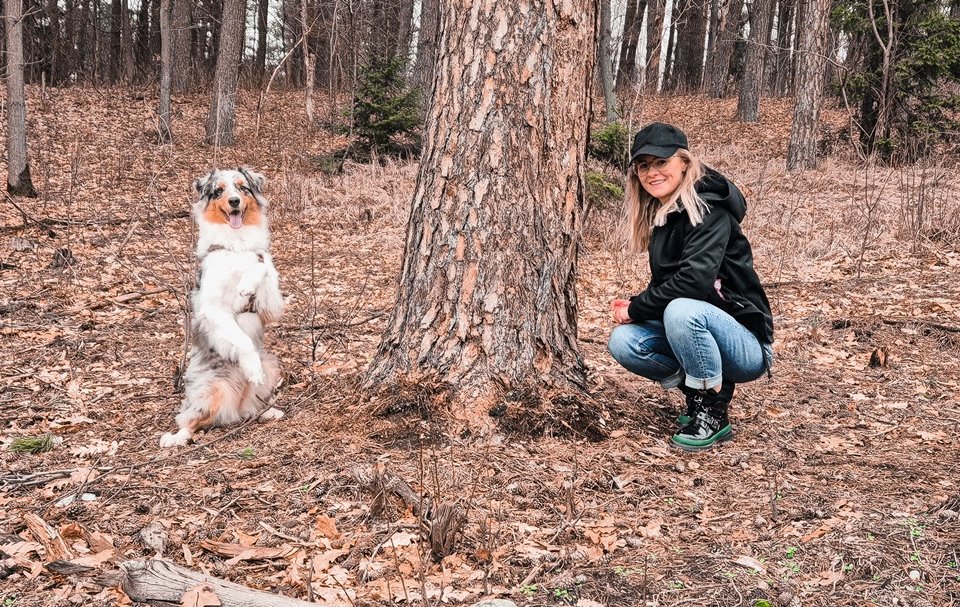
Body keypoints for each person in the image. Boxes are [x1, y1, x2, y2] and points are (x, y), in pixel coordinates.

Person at [607, 122, 774, 451]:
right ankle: (699, 397)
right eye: (644, 165)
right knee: (624, 342)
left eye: (661, 162)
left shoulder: (709, 209)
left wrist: (637, 307)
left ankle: (713, 412)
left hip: (747, 346)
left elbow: (692, 284)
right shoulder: (666, 213)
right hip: (701, 328)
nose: (652, 172)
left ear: (684, 162)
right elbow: (669, 284)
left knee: (681, 310)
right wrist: (636, 309)